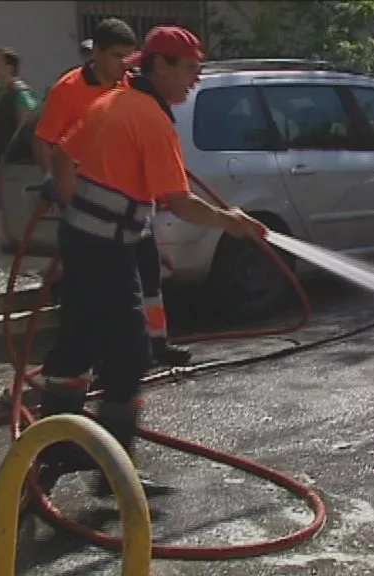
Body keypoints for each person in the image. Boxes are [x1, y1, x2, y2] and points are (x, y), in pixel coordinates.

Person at [37, 25, 267, 497]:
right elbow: (179, 202)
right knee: (130, 354)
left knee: (75, 344)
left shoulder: (110, 103)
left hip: (82, 242)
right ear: (159, 64)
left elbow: (61, 157)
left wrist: (73, 203)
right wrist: (233, 222)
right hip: (107, 252)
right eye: (190, 69)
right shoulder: (149, 118)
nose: (195, 79)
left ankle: (54, 452)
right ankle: (113, 473)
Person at [35, 19, 192, 367]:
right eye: (117, 56)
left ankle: (154, 343)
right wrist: (60, 187)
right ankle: (105, 364)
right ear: (97, 54)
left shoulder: (127, 87)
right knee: (94, 293)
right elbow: (49, 142)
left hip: (129, 206)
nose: (125, 64)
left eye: (129, 56)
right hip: (91, 205)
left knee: (147, 273)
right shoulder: (69, 89)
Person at [0, 47, 39, 257]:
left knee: (5, 205)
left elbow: (26, 124)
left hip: (10, 163)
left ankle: (12, 248)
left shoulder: (20, 93)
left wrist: (12, 154)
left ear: (9, 66)